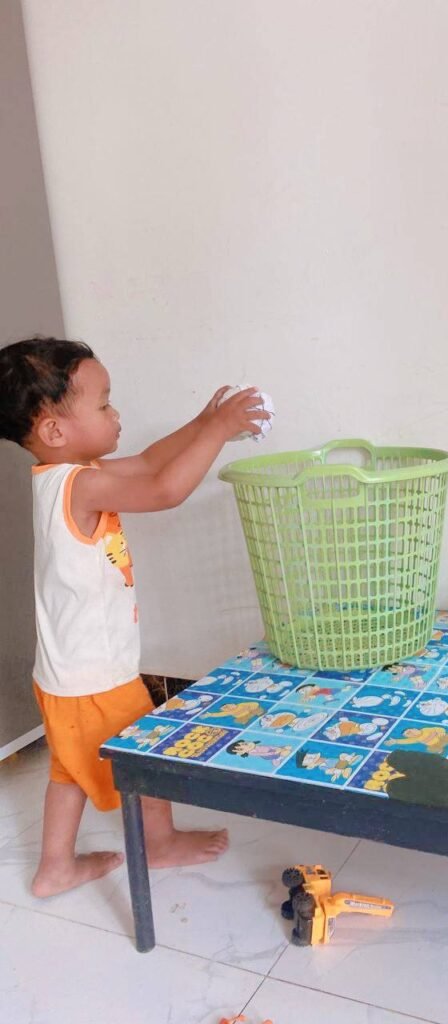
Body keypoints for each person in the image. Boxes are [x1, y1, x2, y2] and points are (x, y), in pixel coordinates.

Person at [0, 337, 269, 897]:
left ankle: (55, 867)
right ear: (54, 430)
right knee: (143, 752)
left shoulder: (63, 477)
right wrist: (218, 434)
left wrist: (203, 422)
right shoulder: (83, 483)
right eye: (103, 404)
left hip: (62, 676)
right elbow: (164, 487)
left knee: (68, 769)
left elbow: (149, 461)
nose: (115, 413)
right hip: (97, 675)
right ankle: (161, 842)